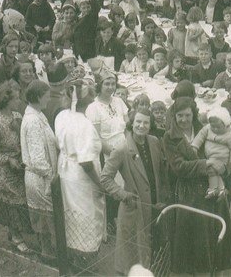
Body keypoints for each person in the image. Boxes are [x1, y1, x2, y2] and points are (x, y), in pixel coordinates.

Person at [162, 97, 231, 274]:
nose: (183, 120)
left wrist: (224, 168)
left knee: (216, 239)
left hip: (212, 187)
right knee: (197, 245)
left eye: (187, 115)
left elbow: (227, 151)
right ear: (174, 116)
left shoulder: (207, 128)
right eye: (179, 116)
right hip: (190, 194)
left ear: (193, 114)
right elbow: (179, 167)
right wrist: (207, 165)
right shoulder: (169, 137)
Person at [100, 109, 170, 275]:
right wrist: (123, 195)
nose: (141, 126)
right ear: (132, 123)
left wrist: (162, 197)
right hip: (134, 210)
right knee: (133, 259)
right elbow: (105, 178)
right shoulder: (122, 148)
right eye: (138, 122)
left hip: (154, 206)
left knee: (153, 252)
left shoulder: (154, 142)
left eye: (146, 122)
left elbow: (160, 172)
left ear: (150, 125)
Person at [55, 82, 106, 258]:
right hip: (82, 177)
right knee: (87, 213)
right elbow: (86, 163)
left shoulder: (62, 115)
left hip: (65, 170)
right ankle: (85, 254)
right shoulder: (84, 125)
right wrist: (99, 185)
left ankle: (72, 251)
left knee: (70, 212)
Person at [0, 81, 32, 254]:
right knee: (13, 206)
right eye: (16, 98)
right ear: (6, 100)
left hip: (20, 169)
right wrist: (7, 160)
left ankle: (17, 233)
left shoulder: (16, 115)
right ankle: (16, 237)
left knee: (21, 203)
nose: (19, 101)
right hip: (6, 174)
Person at [20, 80, 58, 263]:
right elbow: (37, 159)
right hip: (40, 177)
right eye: (46, 95)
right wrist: (51, 175)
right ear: (37, 97)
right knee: (46, 219)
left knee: (46, 218)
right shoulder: (33, 121)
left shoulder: (38, 115)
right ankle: (49, 256)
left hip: (42, 176)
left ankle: (50, 253)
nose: (49, 99)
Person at [191, 107, 231, 199]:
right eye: (213, 126)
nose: (215, 129)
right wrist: (195, 146)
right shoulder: (208, 128)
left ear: (225, 124)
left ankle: (213, 188)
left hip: (222, 157)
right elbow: (200, 136)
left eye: (218, 127)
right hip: (210, 156)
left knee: (212, 171)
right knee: (215, 172)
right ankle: (221, 189)